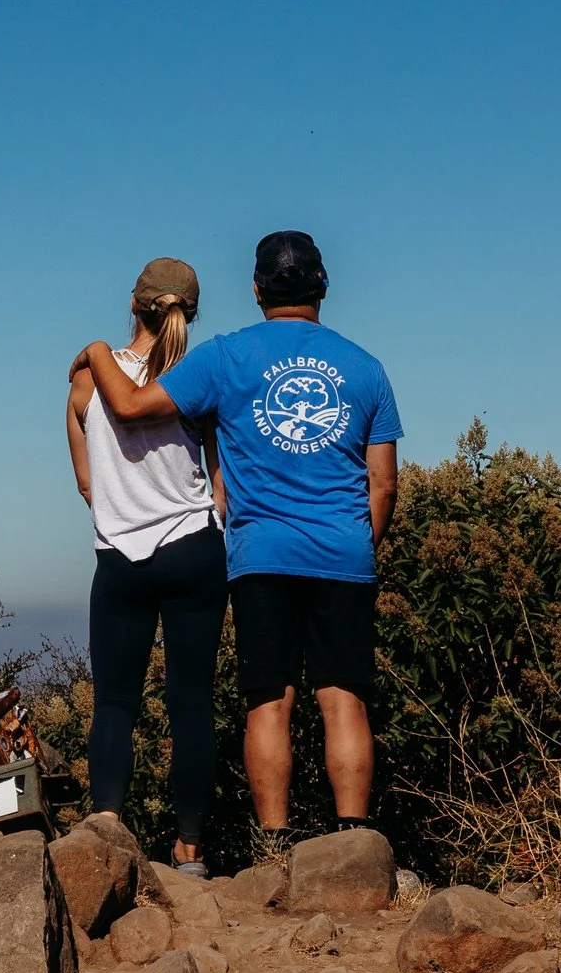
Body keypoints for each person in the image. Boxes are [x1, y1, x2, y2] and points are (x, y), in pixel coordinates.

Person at [74, 231, 400, 847]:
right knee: (343, 698)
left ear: (256, 291)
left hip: (260, 556)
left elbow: (132, 413)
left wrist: (94, 353)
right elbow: (381, 484)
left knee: (268, 704)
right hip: (338, 552)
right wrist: (359, 546)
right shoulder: (366, 368)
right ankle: (354, 841)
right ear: (324, 285)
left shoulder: (224, 358)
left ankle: (274, 847)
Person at [66, 257, 227, 875]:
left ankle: (105, 827)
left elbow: (86, 482)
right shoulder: (197, 380)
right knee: (192, 703)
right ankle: (190, 852)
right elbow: (221, 477)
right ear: (189, 312)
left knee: (114, 704)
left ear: (134, 306)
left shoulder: (87, 383)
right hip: (192, 548)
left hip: (120, 558)